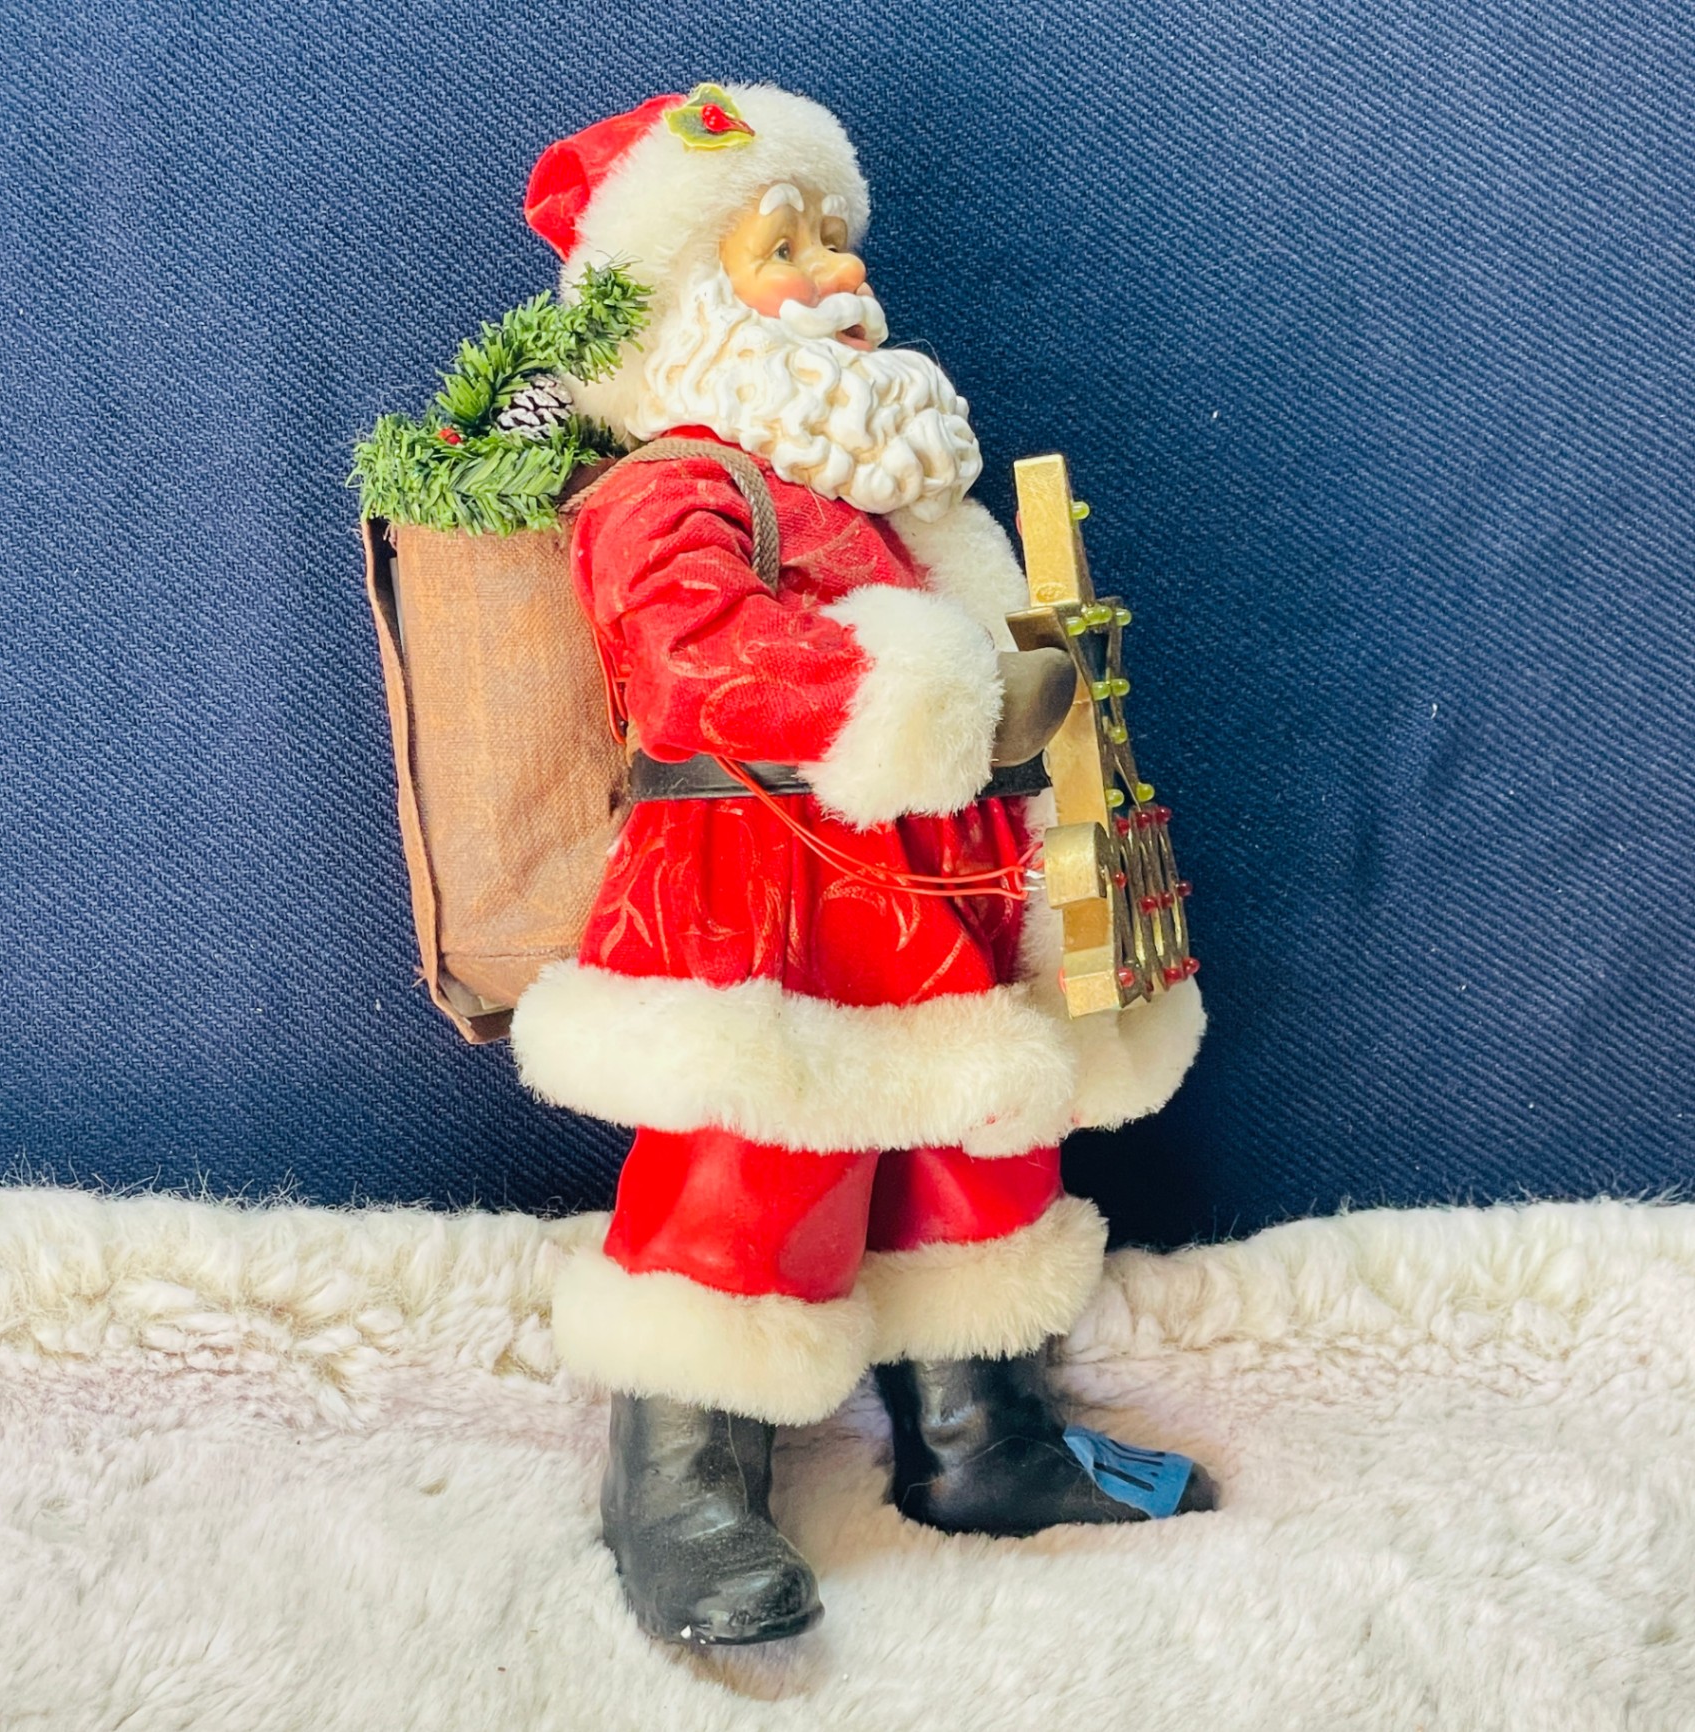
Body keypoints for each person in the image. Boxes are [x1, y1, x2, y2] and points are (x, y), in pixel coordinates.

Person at [512, 82, 1213, 1647]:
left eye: (834, 236)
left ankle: (982, 1437)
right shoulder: (675, 487)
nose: (836, 270)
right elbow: (693, 659)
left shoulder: (886, 494)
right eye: (783, 246)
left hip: (940, 888)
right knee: (758, 1171)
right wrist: (924, 688)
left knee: (982, 1149)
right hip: (766, 892)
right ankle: (682, 1485)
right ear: (686, 297)